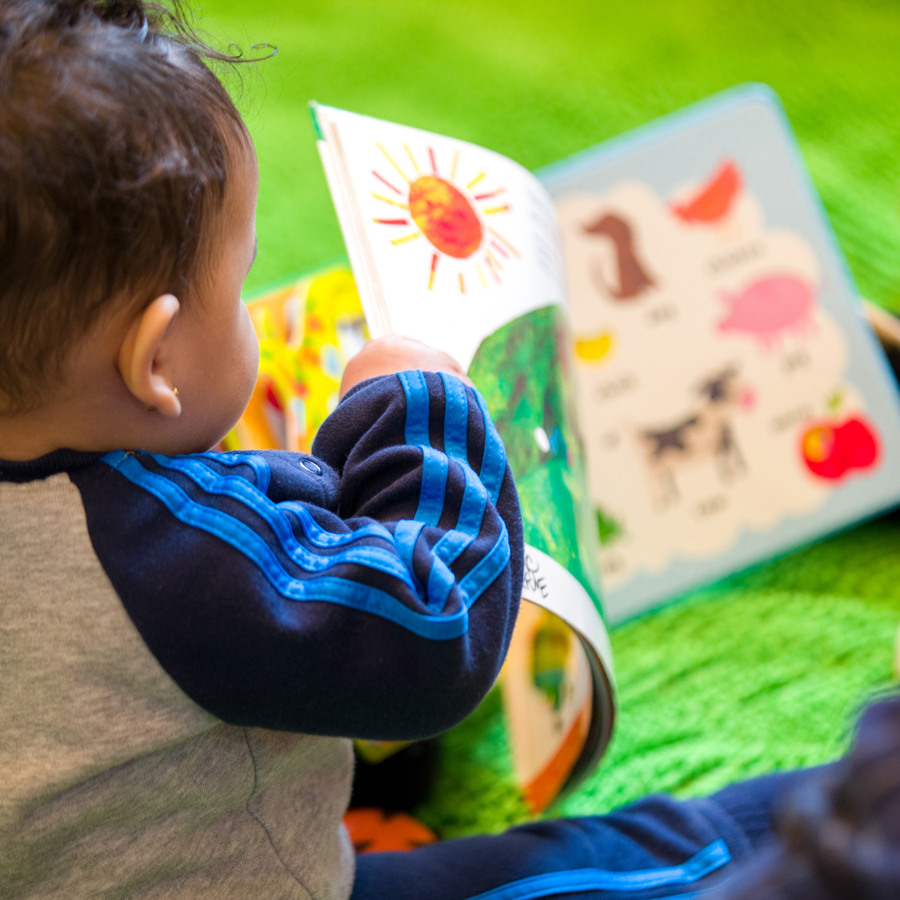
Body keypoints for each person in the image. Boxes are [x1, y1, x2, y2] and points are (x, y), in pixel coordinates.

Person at [0, 2, 835, 898]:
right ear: (156, 360)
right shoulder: (164, 559)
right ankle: (825, 824)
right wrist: (417, 408)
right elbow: (431, 629)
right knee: (651, 857)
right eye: (238, 287)